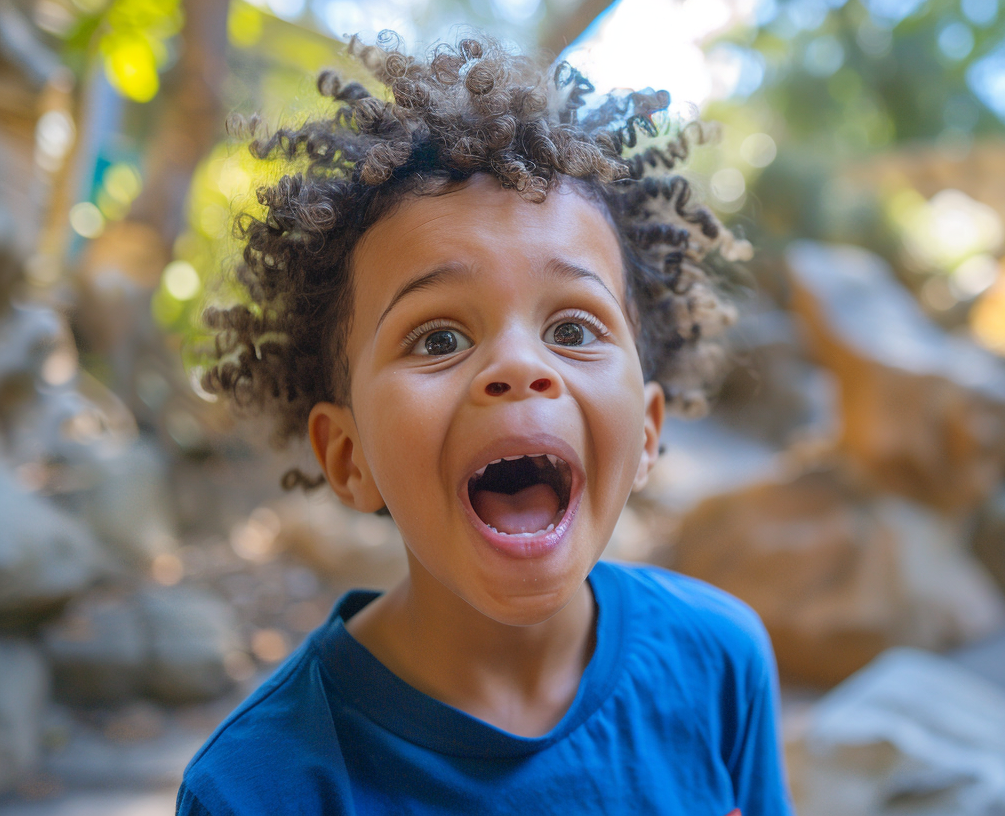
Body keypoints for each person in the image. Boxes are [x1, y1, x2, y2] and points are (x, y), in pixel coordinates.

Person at [177, 33, 789, 816]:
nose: (518, 366)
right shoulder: (261, 789)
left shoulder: (719, 664)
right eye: (438, 339)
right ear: (349, 454)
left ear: (644, 433)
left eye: (573, 329)